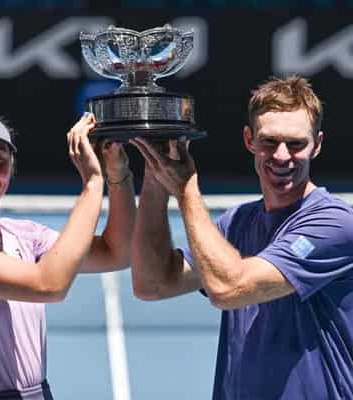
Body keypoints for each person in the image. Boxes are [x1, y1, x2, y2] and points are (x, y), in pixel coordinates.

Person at [130, 76, 353, 399]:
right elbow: (152, 284)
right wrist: (155, 173)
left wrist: (186, 188)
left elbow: (229, 288)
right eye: (269, 142)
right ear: (249, 140)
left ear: (317, 145)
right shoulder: (237, 223)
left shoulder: (334, 224)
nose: (280, 156)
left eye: (296, 144)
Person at [0, 110, 135, 400]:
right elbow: (48, 285)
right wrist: (91, 183)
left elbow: (118, 253)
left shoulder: (25, 235)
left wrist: (117, 174)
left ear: (11, 166)